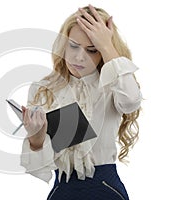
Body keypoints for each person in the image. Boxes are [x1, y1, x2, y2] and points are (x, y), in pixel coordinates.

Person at [20, 4, 142, 200]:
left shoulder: (113, 83)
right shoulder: (43, 89)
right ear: (64, 44)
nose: (79, 57)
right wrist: (36, 139)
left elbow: (131, 102)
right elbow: (38, 169)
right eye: (73, 46)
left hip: (106, 189)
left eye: (92, 50)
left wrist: (107, 45)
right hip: (62, 191)